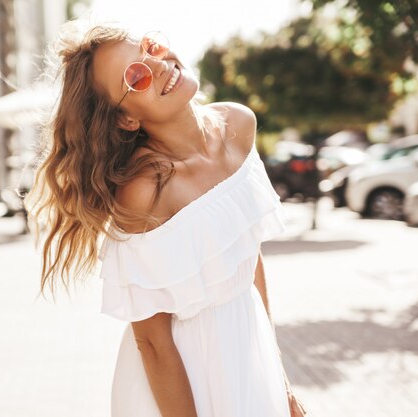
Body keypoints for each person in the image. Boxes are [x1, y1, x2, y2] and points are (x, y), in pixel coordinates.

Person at [25, 22, 307, 417]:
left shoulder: (238, 125)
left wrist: (281, 383)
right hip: (183, 375)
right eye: (136, 75)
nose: (157, 65)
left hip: (249, 345)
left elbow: (246, 257)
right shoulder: (145, 193)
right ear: (126, 120)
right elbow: (153, 343)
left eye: (150, 48)